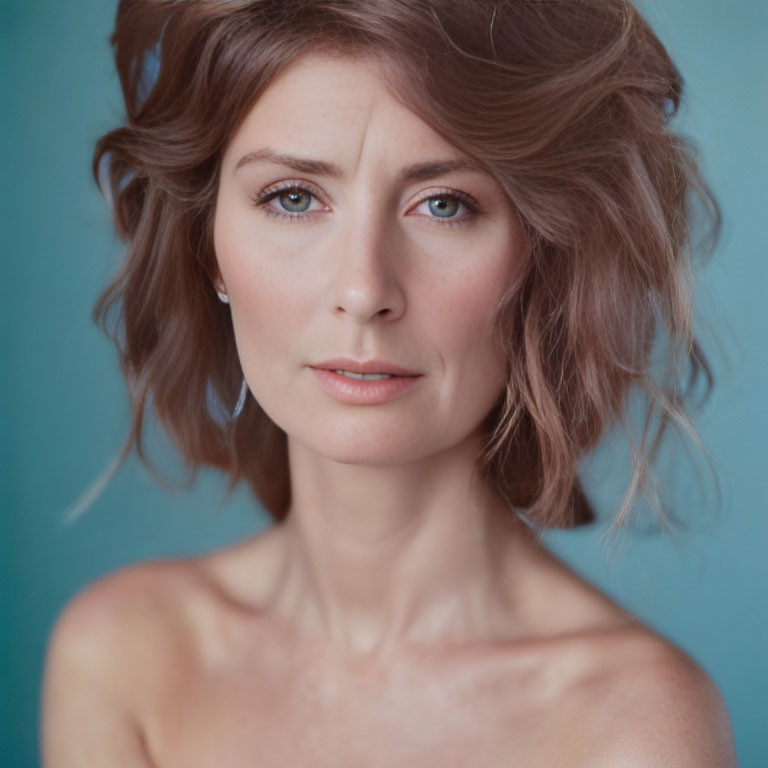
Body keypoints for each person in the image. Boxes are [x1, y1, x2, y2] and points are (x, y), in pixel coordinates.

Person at [42, 0, 737, 765]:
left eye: (444, 205)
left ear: (543, 253)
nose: (364, 288)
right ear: (209, 246)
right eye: (294, 198)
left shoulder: (633, 729)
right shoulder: (124, 658)